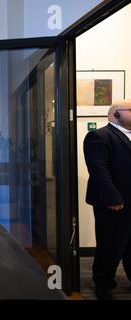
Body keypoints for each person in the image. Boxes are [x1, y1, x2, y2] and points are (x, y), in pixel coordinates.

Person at [84, 99, 131, 299]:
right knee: (110, 244)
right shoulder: (99, 136)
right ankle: (103, 284)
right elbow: (98, 170)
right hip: (113, 203)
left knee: (130, 243)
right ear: (115, 114)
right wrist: (113, 198)